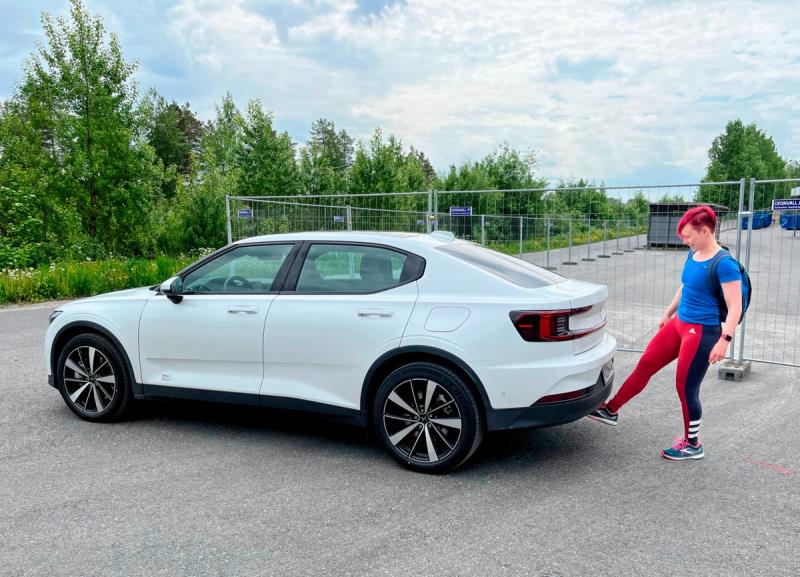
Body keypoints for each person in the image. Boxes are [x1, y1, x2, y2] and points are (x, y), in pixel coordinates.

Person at [588, 205, 743, 460]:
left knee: (685, 387)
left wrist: (724, 340)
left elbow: (735, 305)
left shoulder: (725, 264)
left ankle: (692, 444)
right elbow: (686, 286)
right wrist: (668, 312)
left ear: (705, 231)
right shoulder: (694, 253)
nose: (685, 241)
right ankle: (611, 410)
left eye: (689, 236)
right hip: (679, 323)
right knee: (646, 364)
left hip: (702, 331)